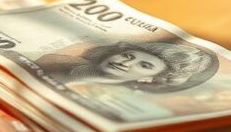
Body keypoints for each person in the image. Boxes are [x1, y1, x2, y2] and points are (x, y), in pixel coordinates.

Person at [36, 40, 218, 94]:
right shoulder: (53, 61)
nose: (125, 62)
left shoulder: (106, 100)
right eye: (128, 55)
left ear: (151, 78)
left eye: (145, 65)